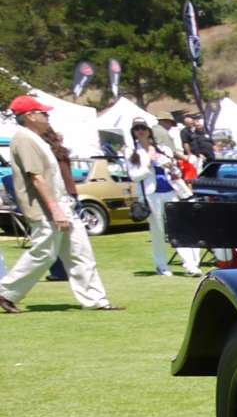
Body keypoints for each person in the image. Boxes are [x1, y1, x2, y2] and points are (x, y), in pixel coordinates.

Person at [0, 99, 117, 312]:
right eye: (43, 113)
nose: (47, 116)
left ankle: (95, 300)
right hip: (46, 208)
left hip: (62, 204)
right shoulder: (24, 139)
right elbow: (36, 178)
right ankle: (6, 292)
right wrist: (55, 209)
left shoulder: (36, 139)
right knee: (44, 252)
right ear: (30, 116)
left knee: (81, 252)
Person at [127, 119, 198, 276]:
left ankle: (190, 265)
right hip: (151, 195)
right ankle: (161, 265)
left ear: (149, 130)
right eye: (137, 129)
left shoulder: (163, 149)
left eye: (143, 128)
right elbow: (134, 176)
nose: (140, 131)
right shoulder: (132, 152)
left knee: (178, 228)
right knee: (158, 231)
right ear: (133, 132)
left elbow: (177, 173)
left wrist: (172, 168)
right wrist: (149, 166)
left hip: (170, 191)